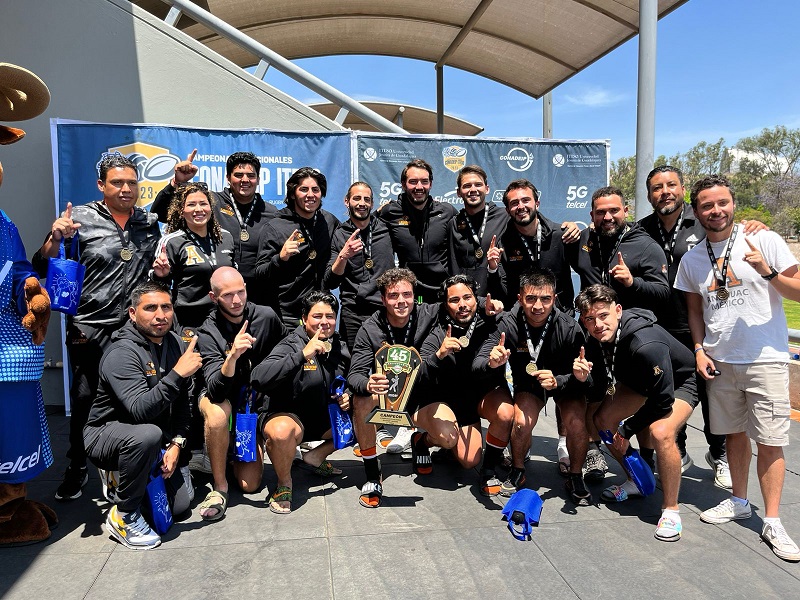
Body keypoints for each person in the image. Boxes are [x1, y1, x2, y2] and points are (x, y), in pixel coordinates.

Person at [675, 175, 800, 561]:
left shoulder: (763, 240)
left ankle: (774, 520)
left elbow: (797, 291)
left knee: (770, 440)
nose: (716, 211)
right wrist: (699, 348)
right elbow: (695, 310)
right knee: (732, 438)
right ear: (696, 212)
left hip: (765, 359)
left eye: (722, 203)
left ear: (733, 203)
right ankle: (739, 500)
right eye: (707, 206)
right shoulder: (693, 258)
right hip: (721, 360)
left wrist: (767, 271)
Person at [33, 153, 161, 501]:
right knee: (86, 400)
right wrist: (56, 238)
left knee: (135, 400)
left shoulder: (148, 222)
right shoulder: (79, 220)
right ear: (101, 185)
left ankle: (130, 466)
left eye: (132, 182)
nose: (125, 188)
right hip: (89, 328)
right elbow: (41, 263)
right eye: (117, 182)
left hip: (133, 331)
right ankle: (77, 467)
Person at [639, 165, 739, 485]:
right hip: (659, 328)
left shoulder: (704, 223)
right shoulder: (640, 230)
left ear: (682, 189)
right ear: (649, 195)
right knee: (666, 392)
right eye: (657, 187)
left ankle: (719, 452)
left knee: (712, 394)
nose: (664, 191)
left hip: (700, 325)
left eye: (671, 185)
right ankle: (678, 450)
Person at [574, 284, 698, 542]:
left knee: (661, 431)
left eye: (603, 315)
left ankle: (671, 510)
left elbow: (662, 401)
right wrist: (582, 377)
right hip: (639, 380)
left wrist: (627, 429)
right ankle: (636, 478)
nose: (598, 324)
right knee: (601, 420)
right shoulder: (594, 340)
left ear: (617, 311)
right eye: (590, 319)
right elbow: (598, 386)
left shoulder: (645, 343)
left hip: (679, 382)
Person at [83, 281, 201, 550]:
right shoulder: (120, 352)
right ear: (133, 313)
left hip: (157, 439)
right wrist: (178, 373)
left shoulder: (174, 343)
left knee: (181, 506)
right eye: (150, 308)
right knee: (148, 434)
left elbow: (184, 404)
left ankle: (136, 475)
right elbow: (139, 409)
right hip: (108, 434)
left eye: (166, 307)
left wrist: (176, 444)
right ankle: (123, 514)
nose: (161, 315)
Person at [567, 185, 670, 481]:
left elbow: (663, 293)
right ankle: (594, 451)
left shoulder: (645, 245)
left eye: (614, 210)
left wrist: (632, 282)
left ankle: (646, 460)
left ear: (626, 211)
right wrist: (569, 229)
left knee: (644, 400)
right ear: (592, 215)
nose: (608, 216)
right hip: (595, 336)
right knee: (594, 396)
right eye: (601, 212)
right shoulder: (585, 240)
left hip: (632, 340)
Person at [0, 61, 58, 545]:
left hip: (11, 348)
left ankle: (10, 499)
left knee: (17, 420)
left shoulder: (3, 221)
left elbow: (19, 270)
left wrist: (33, 290)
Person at [476, 269, 592, 504]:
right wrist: (491, 360)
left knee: (577, 423)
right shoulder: (507, 322)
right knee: (520, 421)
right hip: (530, 384)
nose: (538, 306)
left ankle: (576, 475)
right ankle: (518, 469)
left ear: (555, 299)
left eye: (545, 299)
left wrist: (566, 379)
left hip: (565, 383)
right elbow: (478, 361)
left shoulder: (570, 328)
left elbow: (589, 380)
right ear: (520, 298)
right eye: (531, 299)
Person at [194, 267, 287, 521]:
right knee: (217, 413)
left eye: (240, 292)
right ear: (214, 298)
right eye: (227, 295)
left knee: (250, 485)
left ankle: (231, 452)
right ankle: (219, 486)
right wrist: (232, 356)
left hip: (254, 407)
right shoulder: (208, 330)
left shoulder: (266, 316)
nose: (236, 300)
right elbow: (215, 389)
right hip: (222, 397)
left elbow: (287, 348)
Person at [250, 290, 350, 514]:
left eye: (330, 316)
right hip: (289, 417)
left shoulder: (340, 346)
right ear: (304, 319)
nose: (324, 322)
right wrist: (301, 355)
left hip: (321, 418)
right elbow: (258, 377)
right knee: (282, 431)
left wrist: (348, 396)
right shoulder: (291, 344)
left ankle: (315, 457)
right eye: (317, 316)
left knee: (367, 405)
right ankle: (284, 483)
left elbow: (352, 379)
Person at [419, 275, 514, 497]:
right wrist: (439, 355)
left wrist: (493, 363)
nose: (462, 304)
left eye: (468, 298)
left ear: (476, 299)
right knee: (467, 458)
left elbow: (479, 365)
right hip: (450, 403)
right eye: (454, 300)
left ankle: (488, 471)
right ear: (445, 305)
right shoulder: (438, 332)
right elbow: (419, 372)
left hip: (480, 396)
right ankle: (422, 440)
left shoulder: (492, 320)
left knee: (506, 413)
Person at [151, 151, 277, 302]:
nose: (245, 180)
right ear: (228, 178)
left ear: (258, 179)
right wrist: (176, 183)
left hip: (259, 297)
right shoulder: (211, 203)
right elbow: (161, 214)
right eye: (238, 175)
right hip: (218, 298)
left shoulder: (271, 212)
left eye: (251, 175)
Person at [255, 167, 340, 327]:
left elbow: (351, 230)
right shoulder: (275, 226)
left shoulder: (328, 221)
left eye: (315, 190)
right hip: (287, 317)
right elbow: (260, 274)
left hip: (320, 315)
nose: (310, 195)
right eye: (304, 189)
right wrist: (280, 258)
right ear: (293, 194)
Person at [152, 181, 236, 331]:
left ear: (211, 207)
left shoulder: (226, 237)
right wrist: (161, 276)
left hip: (223, 319)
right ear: (181, 210)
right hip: (188, 321)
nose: (199, 209)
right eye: (191, 204)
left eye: (203, 203)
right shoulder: (171, 242)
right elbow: (156, 289)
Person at [488, 178, 580, 311]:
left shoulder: (562, 236)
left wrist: (592, 229)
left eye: (526, 200)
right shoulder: (503, 244)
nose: (521, 207)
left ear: (537, 204)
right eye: (514, 203)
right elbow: (502, 292)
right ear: (507, 210)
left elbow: (587, 269)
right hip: (520, 321)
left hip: (558, 318)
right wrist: (493, 269)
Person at [323, 181, 394, 351]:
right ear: (347, 201)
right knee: (353, 365)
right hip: (353, 312)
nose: (362, 203)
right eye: (356, 198)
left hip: (385, 309)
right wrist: (344, 256)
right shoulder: (339, 234)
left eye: (366, 199)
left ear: (372, 204)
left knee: (387, 365)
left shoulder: (387, 228)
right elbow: (330, 281)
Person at [378, 158, 457, 304]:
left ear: (431, 184)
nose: (419, 187)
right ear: (403, 184)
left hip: (441, 290)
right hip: (409, 292)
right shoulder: (390, 212)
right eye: (413, 181)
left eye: (424, 181)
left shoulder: (447, 211)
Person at [446, 165, 508, 295]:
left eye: (478, 185)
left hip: (498, 297)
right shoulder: (455, 223)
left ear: (487, 189)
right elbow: (453, 265)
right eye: (467, 186)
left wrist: (563, 227)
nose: (473, 189)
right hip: (466, 299)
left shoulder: (505, 216)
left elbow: (533, 222)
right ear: (458, 192)